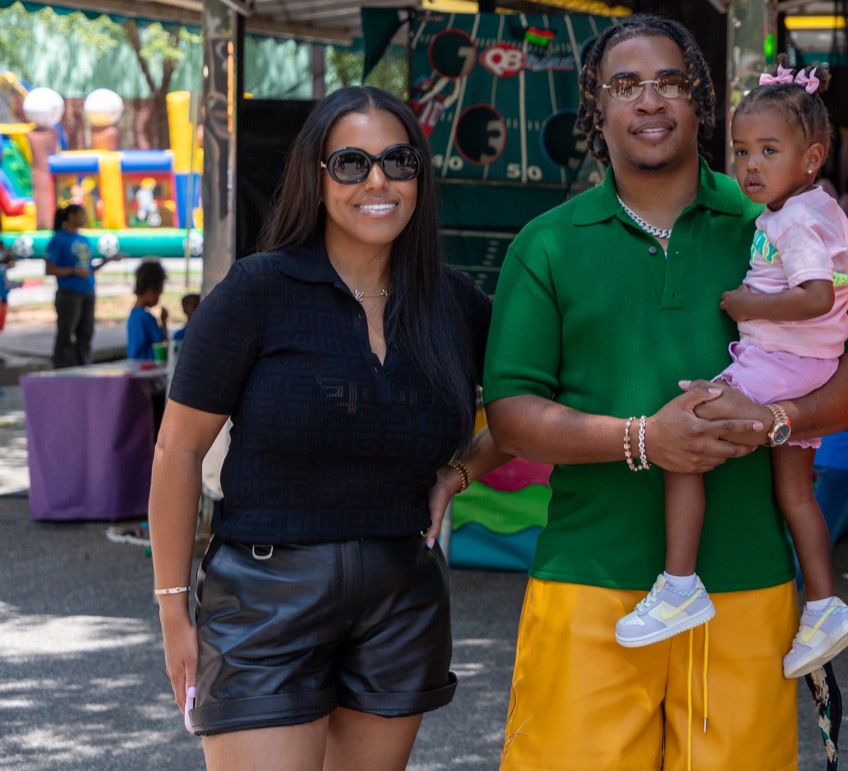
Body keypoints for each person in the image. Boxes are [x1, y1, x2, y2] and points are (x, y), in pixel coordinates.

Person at [482, 15, 848, 771]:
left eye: (671, 82)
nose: (650, 101)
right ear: (595, 109)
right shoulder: (550, 242)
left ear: (701, 103)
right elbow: (512, 414)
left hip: (747, 580)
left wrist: (777, 419)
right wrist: (642, 439)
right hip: (588, 580)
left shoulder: (778, 220)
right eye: (625, 85)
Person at [148, 86, 504, 767]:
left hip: (403, 599)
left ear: (419, 179)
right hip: (263, 601)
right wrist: (172, 611)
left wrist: (461, 473)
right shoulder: (256, 292)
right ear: (316, 178)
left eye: (398, 162)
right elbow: (176, 448)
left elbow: (529, 409)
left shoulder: (454, 304)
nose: (377, 181)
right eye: (351, 164)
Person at [614, 64, 848, 680]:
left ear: (811, 158)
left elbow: (811, 294)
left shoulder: (793, 219)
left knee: (684, 435)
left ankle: (679, 585)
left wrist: (748, 304)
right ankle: (824, 606)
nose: (751, 166)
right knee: (795, 495)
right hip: (809, 369)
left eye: (769, 151)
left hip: (779, 366)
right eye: (742, 151)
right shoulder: (819, 208)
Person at [44, 202, 114, 367]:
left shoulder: (84, 239)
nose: (85, 217)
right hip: (69, 293)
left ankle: (84, 365)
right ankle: (62, 366)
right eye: (82, 214)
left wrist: (108, 260)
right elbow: (49, 269)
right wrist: (73, 271)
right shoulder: (58, 239)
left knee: (86, 332)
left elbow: (88, 268)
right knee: (66, 333)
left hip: (88, 291)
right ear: (71, 216)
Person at [125, 259, 168, 361]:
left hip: (133, 363)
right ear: (151, 292)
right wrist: (164, 321)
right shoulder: (148, 317)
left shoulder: (133, 314)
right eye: (159, 294)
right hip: (146, 366)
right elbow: (161, 341)